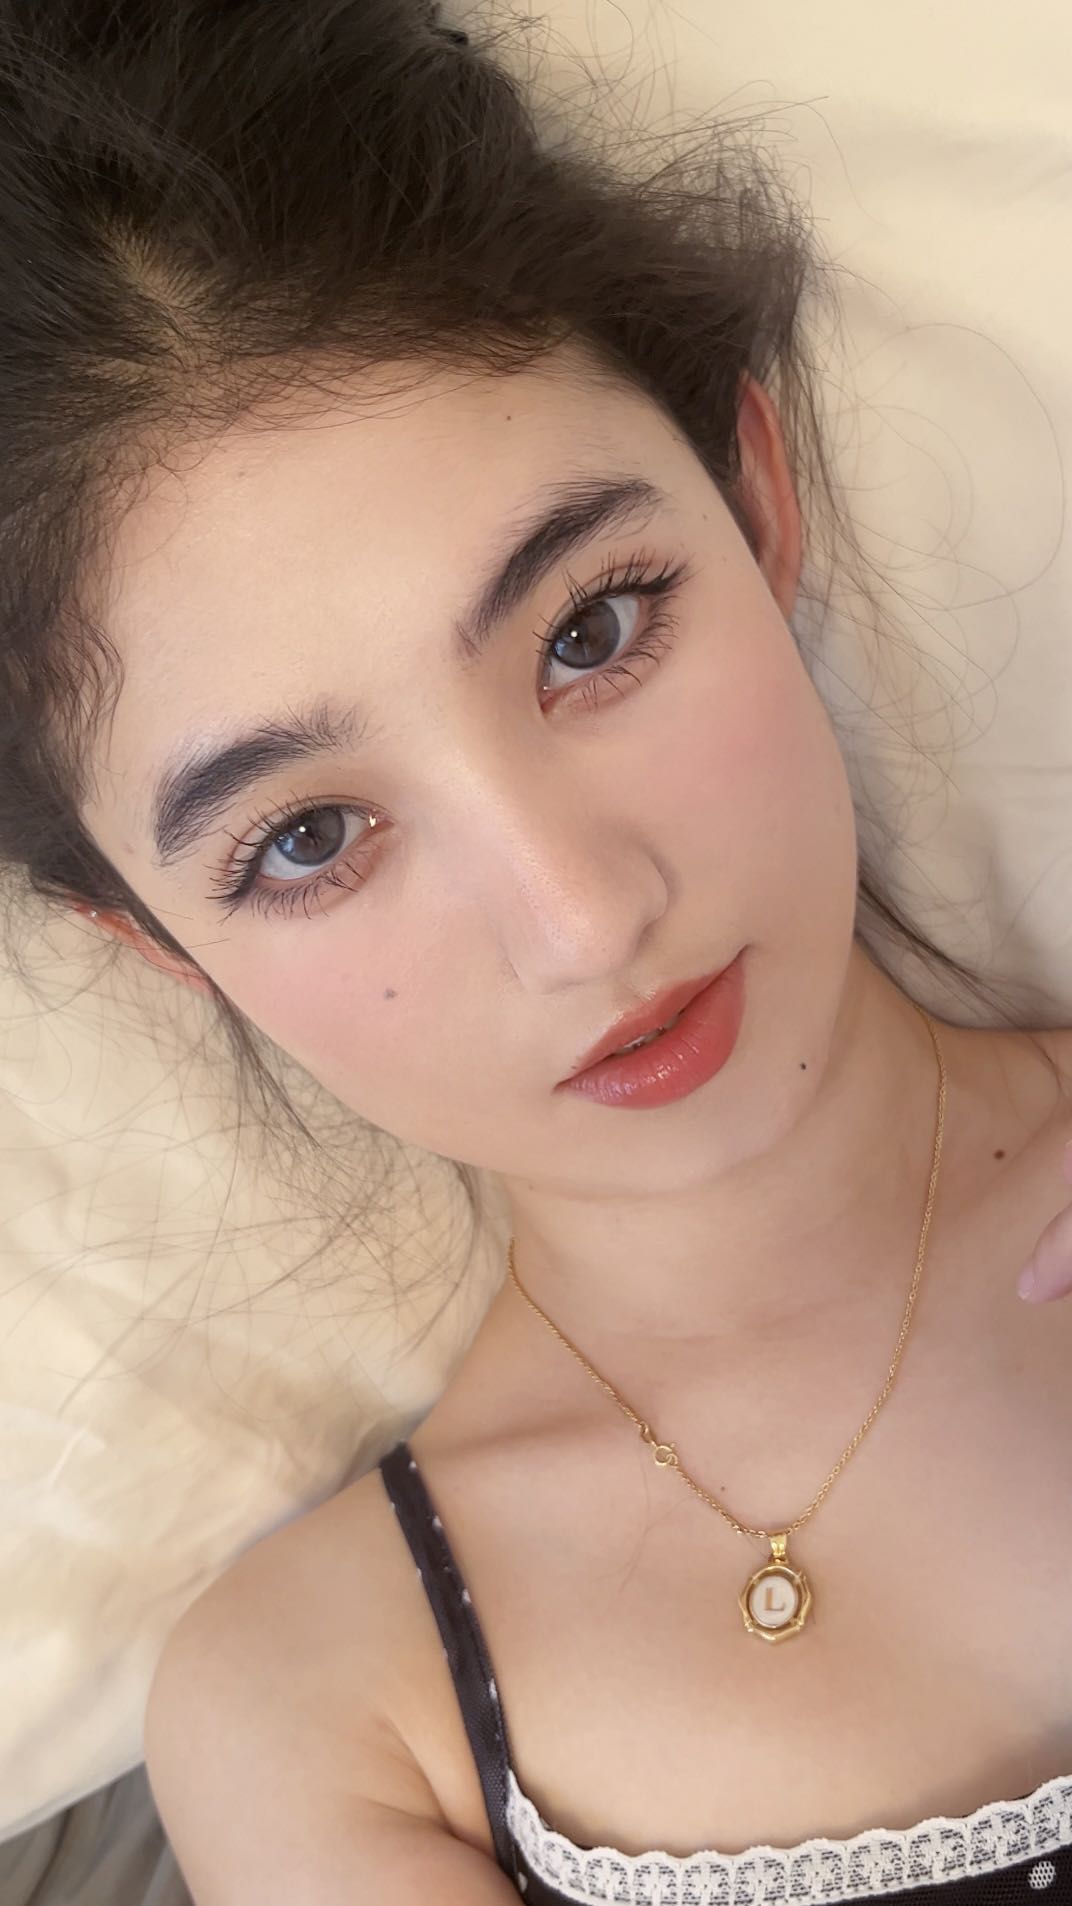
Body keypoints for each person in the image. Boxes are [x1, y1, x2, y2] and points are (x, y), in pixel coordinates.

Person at [1, 2, 1071, 1901]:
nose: (583, 919)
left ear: (756, 501)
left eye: (593, 628)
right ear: (159, 947)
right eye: (307, 839)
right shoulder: (327, 1705)